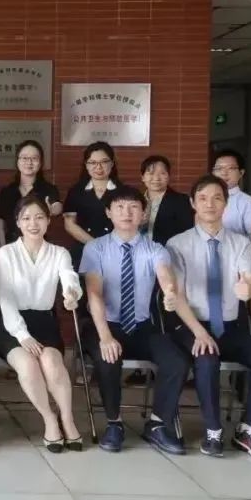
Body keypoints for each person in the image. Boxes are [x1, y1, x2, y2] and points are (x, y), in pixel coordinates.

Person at [165, 175, 251, 462]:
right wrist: (199, 332)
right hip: (192, 324)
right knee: (207, 358)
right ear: (193, 203)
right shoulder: (177, 244)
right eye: (203, 198)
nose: (210, 204)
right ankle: (213, 429)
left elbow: (249, 278)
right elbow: (177, 295)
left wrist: (248, 288)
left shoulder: (240, 243)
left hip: (231, 327)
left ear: (226, 204)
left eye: (217, 198)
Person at [78, 185, 188, 455]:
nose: (126, 213)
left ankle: (158, 424)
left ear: (143, 213)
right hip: (104, 323)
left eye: (133, 207)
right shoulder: (95, 248)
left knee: (177, 361)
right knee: (108, 358)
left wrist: (170, 293)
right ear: (109, 212)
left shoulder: (155, 249)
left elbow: (165, 276)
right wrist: (105, 337)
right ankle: (114, 424)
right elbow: (94, 293)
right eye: (119, 207)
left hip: (141, 326)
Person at [0, 195, 83, 453]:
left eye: (39, 217)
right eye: (26, 218)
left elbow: (69, 278)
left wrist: (71, 293)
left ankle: (67, 417)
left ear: (48, 221)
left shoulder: (59, 253)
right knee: (29, 365)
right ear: (18, 222)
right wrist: (22, 335)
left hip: (45, 322)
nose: (33, 223)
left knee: (52, 363)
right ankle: (49, 418)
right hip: (12, 323)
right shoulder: (6, 253)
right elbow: (5, 297)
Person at [64, 141, 123, 266]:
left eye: (104, 162)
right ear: (86, 165)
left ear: (112, 163)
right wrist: (95, 245)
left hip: (116, 251)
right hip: (83, 250)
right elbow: (69, 225)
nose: (98, 167)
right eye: (92, 162)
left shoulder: (123, 191)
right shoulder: (76, 191)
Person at [0, 140, 61, 248]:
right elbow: (0, 223)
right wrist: (2, 248)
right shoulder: (7, 192)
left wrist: (54, 210)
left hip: (39, 245)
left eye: (34, 158)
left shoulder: (48, 189)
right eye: (24, 158)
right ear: (17, 161)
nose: (29, 162)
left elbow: (56, 206)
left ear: (40, 162)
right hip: (12, 246)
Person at [211, 149, 251, 243]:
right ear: (213, 173)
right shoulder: (203, 199)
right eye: (219, 168)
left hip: (237, 251)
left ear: (241, 173)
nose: (224, 173)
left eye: (231, 168)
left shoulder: (249, 202)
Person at [140, 155, 193, 246]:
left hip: (168, 251)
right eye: (151, 173)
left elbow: (186, 233)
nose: (156, 178)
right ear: (143, 177)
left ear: (169, 176)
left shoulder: (181, 201)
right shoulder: (135, 201)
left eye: (162, 173)